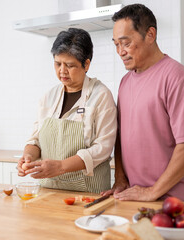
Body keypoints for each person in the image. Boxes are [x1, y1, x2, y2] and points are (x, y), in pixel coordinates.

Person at [101, 4, 184, 201]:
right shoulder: (125, 82)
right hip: (135, 197)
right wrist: (121, 178)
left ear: (150, 35)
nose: (120, 52)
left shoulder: (176, 77)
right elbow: (121, 136)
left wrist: (152, 192)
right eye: (116, 44)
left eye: (126, 43)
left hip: (174, 200)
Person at [17, 28, 117, 193]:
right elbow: (35, 140)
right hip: (49, 189)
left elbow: (103, 148)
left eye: (69, 65)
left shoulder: (101, 95)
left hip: (88, 192)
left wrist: (61, 166)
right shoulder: (48, 97)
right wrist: (28, 157)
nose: (62, 71)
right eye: (57, 63)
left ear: (86, 64)